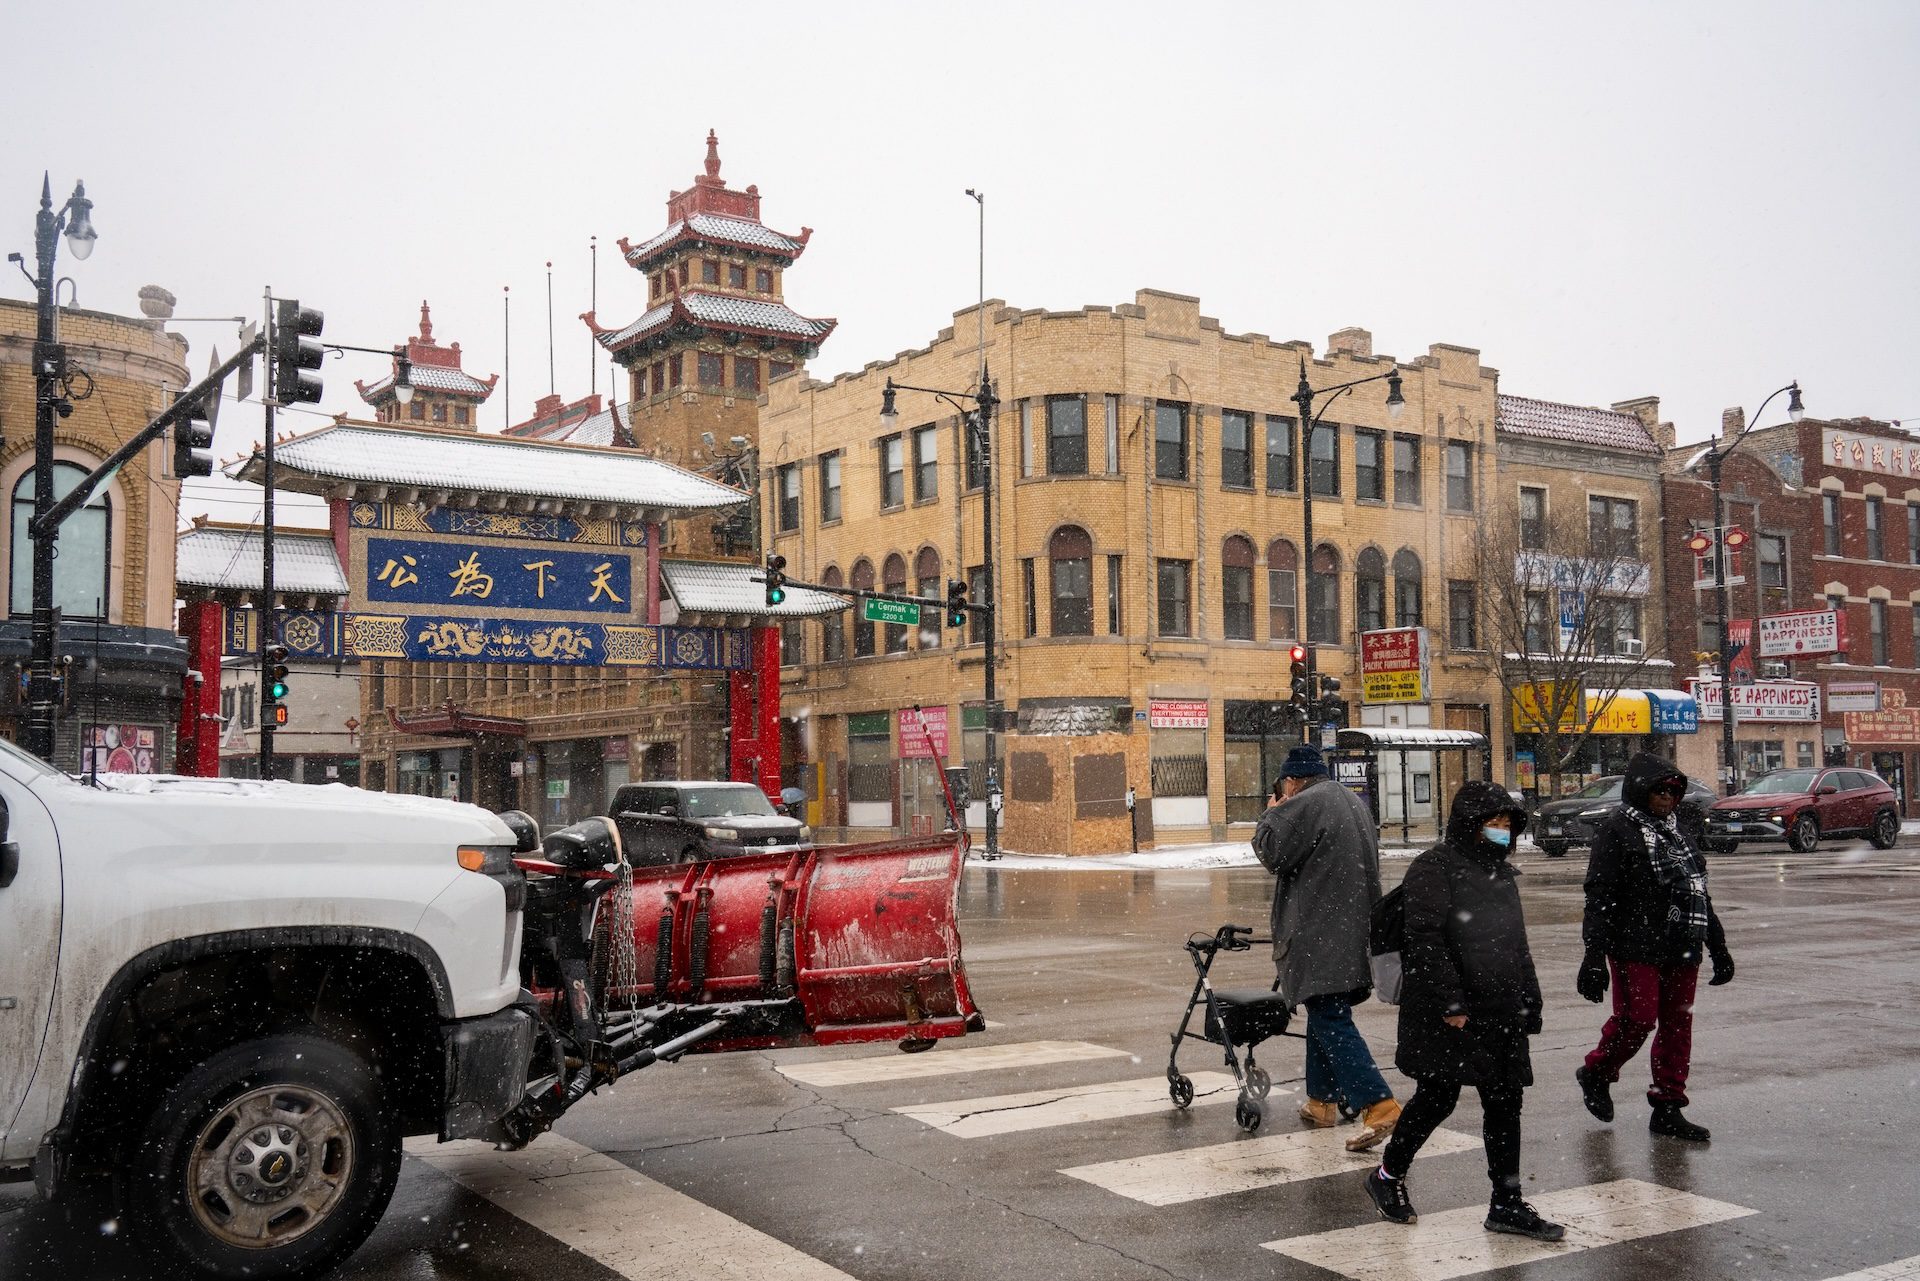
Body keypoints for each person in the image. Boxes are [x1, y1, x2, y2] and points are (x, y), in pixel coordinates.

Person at [1363, 781, 1563, 1241]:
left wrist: (1530, 997)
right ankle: (1387, 1177)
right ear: (1468, 824)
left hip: (1500, 1006)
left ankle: (1506, 1203)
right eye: (1492, 821)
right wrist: (1450, 999)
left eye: (1507, 822)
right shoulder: (1434, 867)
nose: (1501, 829)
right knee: (1438, 1097)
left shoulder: (1501, 873)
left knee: (1505, 1101)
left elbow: (1516, 944)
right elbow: (1425, 939)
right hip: (1449, 1008)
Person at [1575, 751, 1734, 1142]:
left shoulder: (1679, 831)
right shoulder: (1618, 829)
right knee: (1638, 1020)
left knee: (1678, 1026)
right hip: (1634, 943)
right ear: (1640, 791)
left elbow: (1699, 892)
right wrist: (1593, 957)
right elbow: (1599, 895)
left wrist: (1719, 946)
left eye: (1674, 791)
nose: (1667, 798)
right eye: (1659, 790)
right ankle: (1596, 1071)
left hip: (1683, 942)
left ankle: (1668, 1106)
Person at [1252, 744, 1401, 1151]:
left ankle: (1379, 1104)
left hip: (1319, 932)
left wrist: (1272, 812)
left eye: (1284, 784)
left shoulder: (1305, 802)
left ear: (1292, 779)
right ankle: (1321, 1102)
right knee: (1325, 1009)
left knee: (1329, 1016)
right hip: (1351, 930)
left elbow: (1270, 852)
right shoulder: (1348, 799)